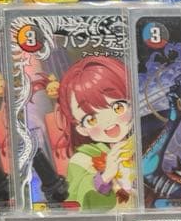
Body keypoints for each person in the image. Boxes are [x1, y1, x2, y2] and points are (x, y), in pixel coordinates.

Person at [55, 56, 135, 210]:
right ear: (80, 128)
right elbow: (77, 203)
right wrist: (105, 177)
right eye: (91, 119)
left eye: (118, 107)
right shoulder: (82, 160)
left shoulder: (147, 140)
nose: (107, 121)